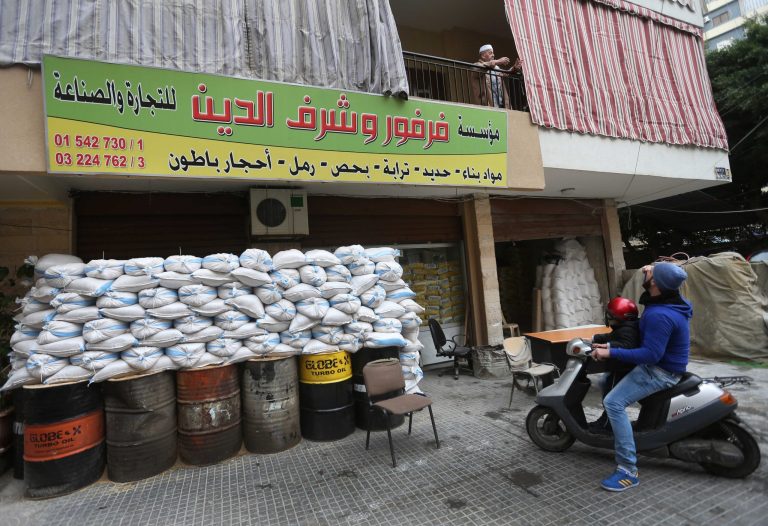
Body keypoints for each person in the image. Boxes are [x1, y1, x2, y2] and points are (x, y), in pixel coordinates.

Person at [591, 262, 692, 492]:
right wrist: (610, 343)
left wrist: (610, 351)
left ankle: (628, 469)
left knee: (613, 402)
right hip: (662, 364)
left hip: (660, 371)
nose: (646, 269)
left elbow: (651, 354)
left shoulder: (660, 314)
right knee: (608, 380)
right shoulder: (667, 301)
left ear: (656, 283)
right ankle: (612, 430)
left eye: (651, 271)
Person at [588, 297, 641, 434]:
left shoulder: (627, 331)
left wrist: (607, 347)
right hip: (620, 368)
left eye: (610, 315)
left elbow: (626, 345)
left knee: (610, 399)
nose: (608, 318)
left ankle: (607, 425)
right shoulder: (627, 327)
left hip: (621, 370)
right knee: (605, 384)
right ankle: (605, 421)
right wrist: (596, 338)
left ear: (617, 316)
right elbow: (613, 336)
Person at [473, 44, 521, 109]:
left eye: (493, 53)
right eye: (490, 53)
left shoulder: (496, 67)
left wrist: (514, 68)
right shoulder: (477, 65)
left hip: (501, 103)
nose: (493, 55)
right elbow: (480, 68)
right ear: (483, 56)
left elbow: (505, 73)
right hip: (488, 103)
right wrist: (498, 61)